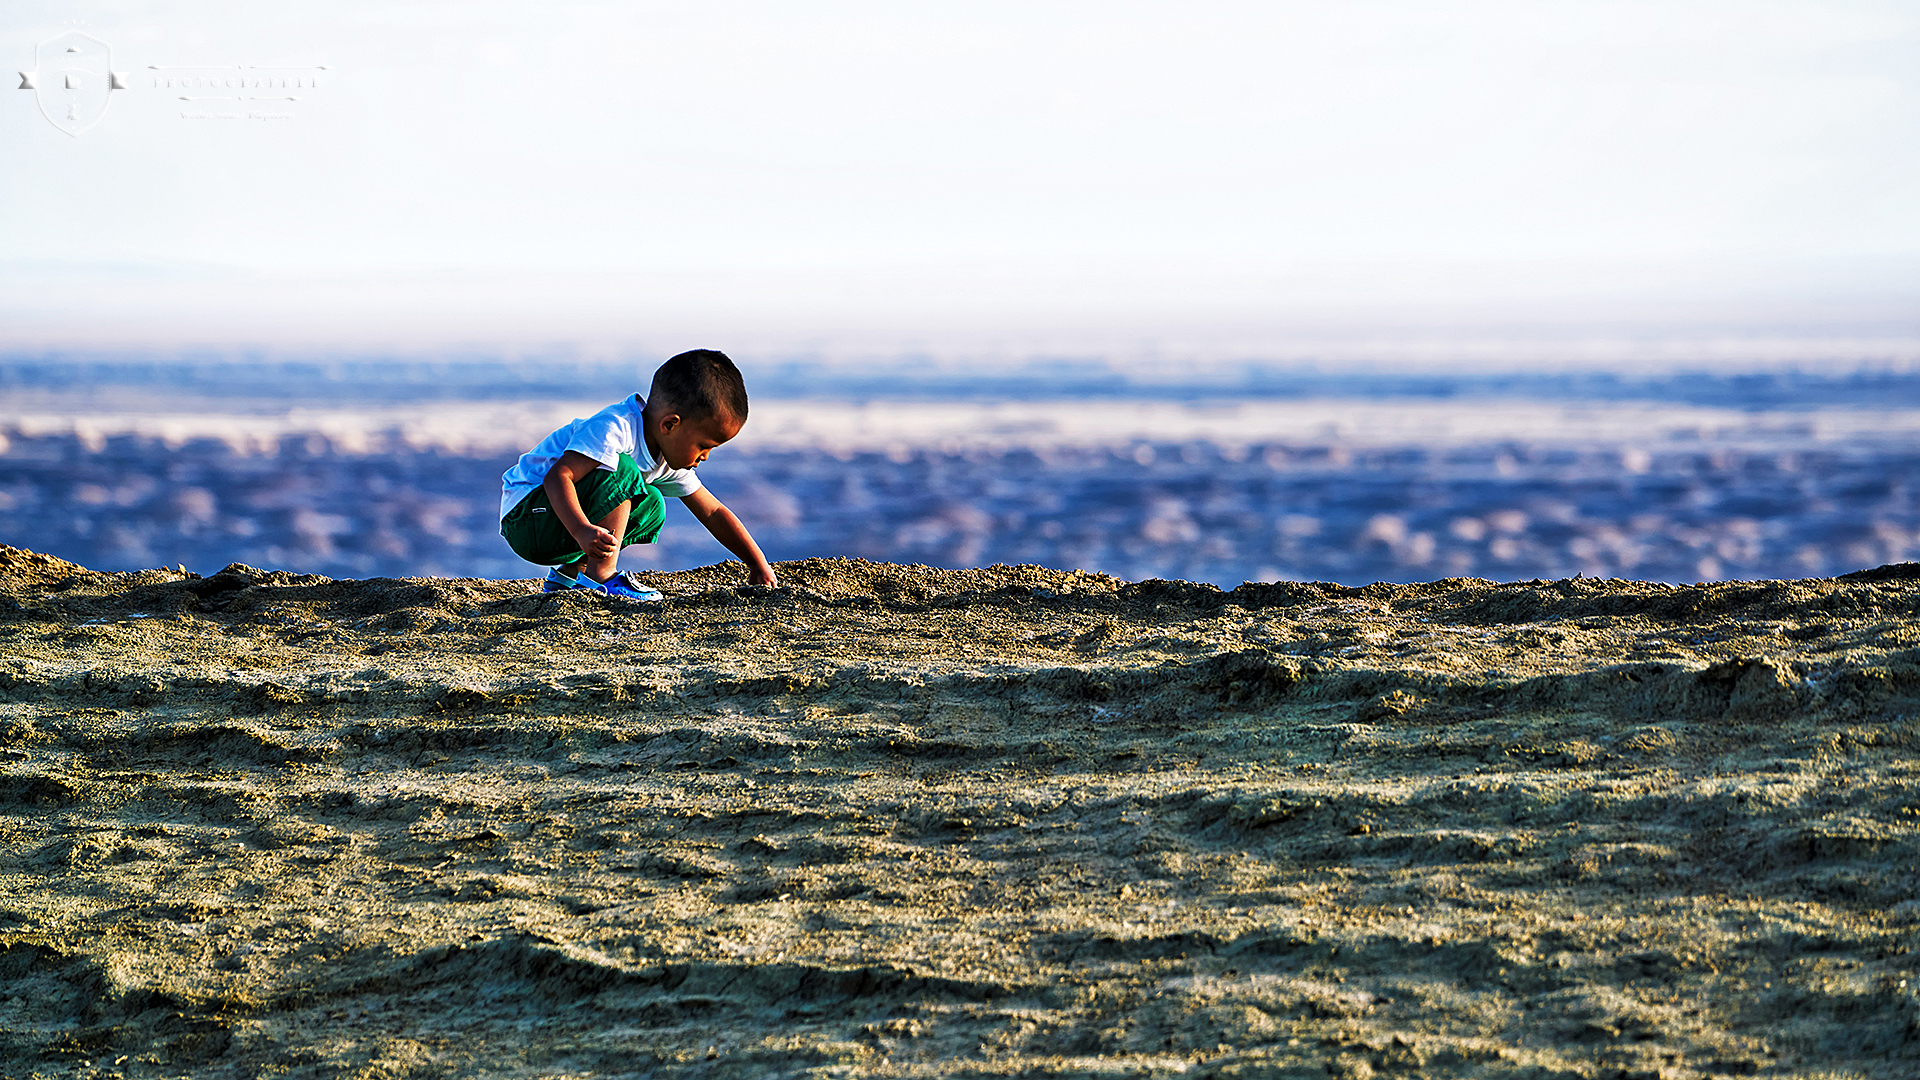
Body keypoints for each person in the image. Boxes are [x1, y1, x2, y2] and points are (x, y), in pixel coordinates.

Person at [498, 349, 778, 599]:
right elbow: (558, 477)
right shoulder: (615, 428)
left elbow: (713, 512)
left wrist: (756, 563)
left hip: (556, 526)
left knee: (652, 503)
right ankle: (602, 577)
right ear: (670, 424)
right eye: (704, 446)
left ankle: (568, 577)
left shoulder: (666, 457)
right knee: (625, 473)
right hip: (526, 517)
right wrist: (582, 531)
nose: (705, 457)